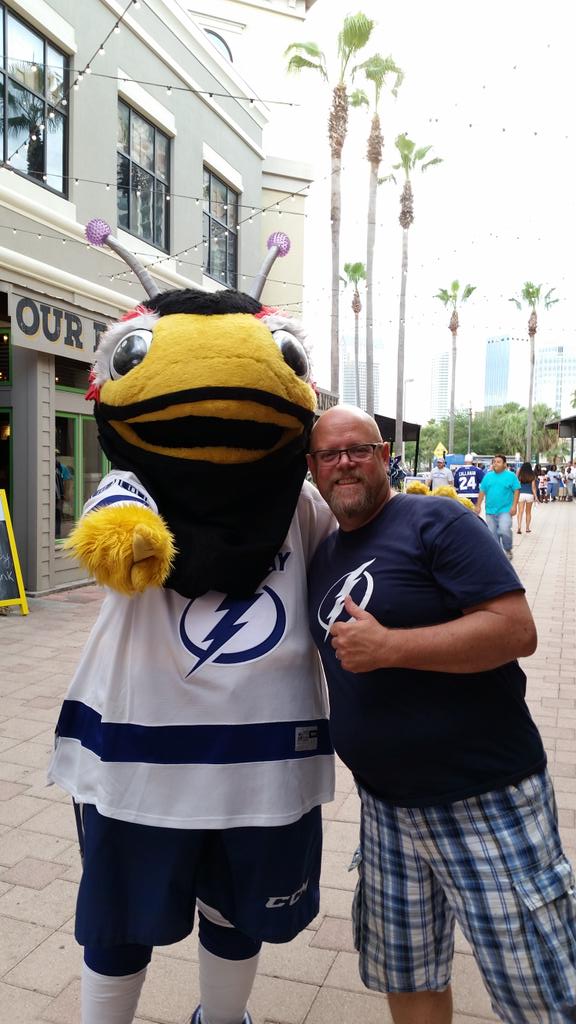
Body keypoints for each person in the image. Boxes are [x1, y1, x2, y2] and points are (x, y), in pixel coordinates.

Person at [306, 405, 576, 1024]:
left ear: (383, 457)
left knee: (541, 988)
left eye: (359, 449)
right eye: (329, 453)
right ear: (313, 469)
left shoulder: (436, 519)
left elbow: (515, 631)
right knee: (408, 972)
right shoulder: (323, 556)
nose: (345, 462)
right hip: (384, 809)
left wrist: (393, 647)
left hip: (485, 799)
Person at [475, 454, 520, 560]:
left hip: (505, 510)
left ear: (505, 464)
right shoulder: (488, 476)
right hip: (490, 510)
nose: (495, 464)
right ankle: (499, 556)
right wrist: (478, 505)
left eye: (498, 462)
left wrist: (514, 506)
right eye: (494, 462)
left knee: (504, 530)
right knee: (493, 535)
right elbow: (482, 491)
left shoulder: (511, 476)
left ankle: (508, 548)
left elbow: (517, 490)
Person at [516, 461, 538, 533]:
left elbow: (517, 487)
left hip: (521, 495)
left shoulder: (520, 475)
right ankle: (527, 528)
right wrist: (536, 497)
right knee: (528, 512)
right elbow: (533, 487)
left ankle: (519, 527)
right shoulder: (532, 475)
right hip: (529, 495)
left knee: (520, 512)